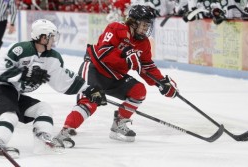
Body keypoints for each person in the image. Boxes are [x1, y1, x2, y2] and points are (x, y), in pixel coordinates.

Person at [0, 19, 107, 157]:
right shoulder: (20, 49)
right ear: (42, 37)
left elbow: (63, 79)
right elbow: (0, 71)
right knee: (10, 115)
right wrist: (25, 74)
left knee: (44, 108)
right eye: (51, 37)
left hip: (14, 93)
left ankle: (44, 139)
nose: (54, 40)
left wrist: (88, 89)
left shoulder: (52, 58)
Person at [56, 4, 178, 144]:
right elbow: (103, 52)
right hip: (94, 70)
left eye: (148, 25)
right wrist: (124, 54)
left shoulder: (143, 43)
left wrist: (161, 82)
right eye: (144, 24)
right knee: (90, 102)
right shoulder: (116, 28)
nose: (146, 28)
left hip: (115, 76)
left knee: (138, 90)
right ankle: (65, 131)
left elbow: (147, 67)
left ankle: (119, 124)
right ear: (134, 21)